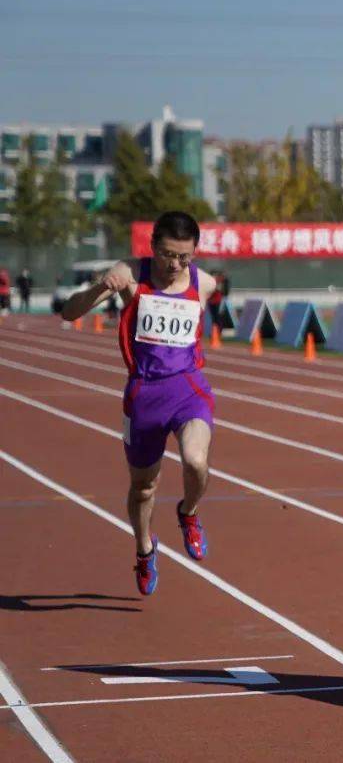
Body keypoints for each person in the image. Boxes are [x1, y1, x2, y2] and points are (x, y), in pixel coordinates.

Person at [61, 211, 217, 596]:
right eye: (167, 255)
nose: (175, 265)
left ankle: (189, 513)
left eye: (184, 257)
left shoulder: (205, 283)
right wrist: (102, 288)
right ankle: (145, 549)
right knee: (143, 487)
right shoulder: (130, 273)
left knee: (196, 461)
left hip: (188, 389)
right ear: (153, 248)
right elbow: (69, 312)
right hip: (144, 395)